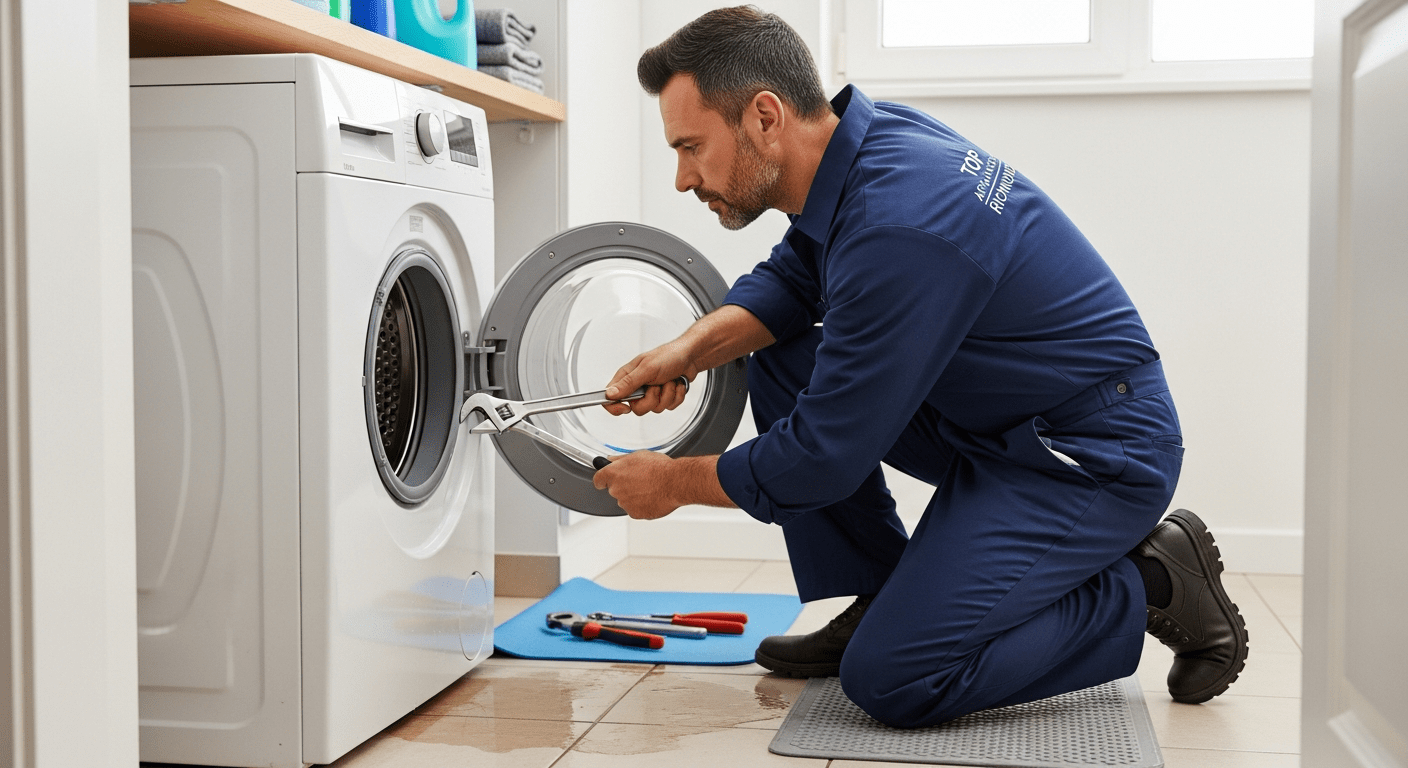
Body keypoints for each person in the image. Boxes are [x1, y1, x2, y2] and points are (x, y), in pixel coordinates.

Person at [591, 5, 1249, 727]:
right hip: (1001, 420)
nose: (684, 177)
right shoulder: (867, 143)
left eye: (691, 147)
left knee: (894, 679)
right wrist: (688, 349)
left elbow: (822, 456)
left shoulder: (898, 225)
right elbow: (794, 279)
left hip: (1089, 455)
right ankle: (882, 592)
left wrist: (673, 482)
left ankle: (1148, 582)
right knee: (778, 355)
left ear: (765, 117)